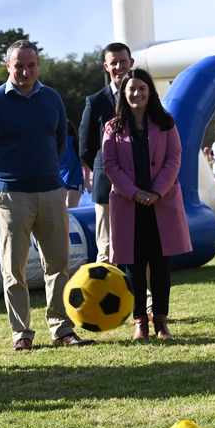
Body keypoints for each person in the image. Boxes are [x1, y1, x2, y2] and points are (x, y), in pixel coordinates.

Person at [0, 39, 94, 350]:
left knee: (59, 264)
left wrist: (46, 175)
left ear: (38, 65)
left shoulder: (51, 99)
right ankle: (21, 335)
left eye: (31, 65)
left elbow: (60, 143)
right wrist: (1, 179)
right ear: (8, 66)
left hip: (51, 192)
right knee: (14, 268)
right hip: (11, 196)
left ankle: (62, 330)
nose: (25, 71)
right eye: (19, 65)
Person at [102, 69, 192, 340]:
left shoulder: (166, 123)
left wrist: (155, 192)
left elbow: (174, 159)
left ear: (150, 91)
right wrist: (135, 193)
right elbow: (110, 165)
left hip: (160, 204)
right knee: (134, 266)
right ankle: (140, 321)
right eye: (131, 89)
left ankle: (161, 321)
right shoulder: (112, 127)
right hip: (129, 206)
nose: (136, 93)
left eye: (142, 88)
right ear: (123, 93)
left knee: (160, 264)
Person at [79, 42, 135, 263]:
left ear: (131, 63)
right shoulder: (95, 102)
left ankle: (146, 297)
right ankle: (105, 296)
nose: (119, 67)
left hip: (139, 185)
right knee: (106, 248)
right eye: (114, 63)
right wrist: (105, 170)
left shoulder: (144, 96)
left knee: (140, 245)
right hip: (106, 187)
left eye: (123, 62)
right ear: (106, 66)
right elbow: (86, 146)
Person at [61, 121, 85, 207]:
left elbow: (85, 158)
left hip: (74, 181)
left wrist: (87, 183)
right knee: (62, 210)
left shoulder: (73, 142)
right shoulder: (54, 143)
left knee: (70, 209)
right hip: (59, 182)